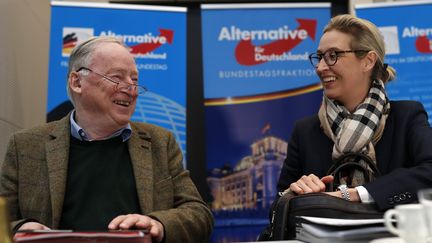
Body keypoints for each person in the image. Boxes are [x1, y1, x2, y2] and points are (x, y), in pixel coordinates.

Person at [0, 36, 214, 242]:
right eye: (116, 77)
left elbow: (199, 214)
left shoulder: (160, 142)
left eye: (134, 79)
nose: (131, 88)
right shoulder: (26, 146)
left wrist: (157, 224)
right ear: (77, 81)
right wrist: (20, 227)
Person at [276, 14, 432, 212]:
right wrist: (295, 192)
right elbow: (278, 205)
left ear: (368, 61)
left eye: (333, 55)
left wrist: (357, 194)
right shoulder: (305, 131)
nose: (321, 67)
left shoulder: (406, 116)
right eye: (320, 57)